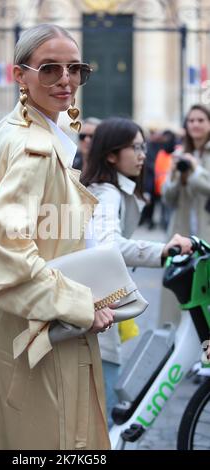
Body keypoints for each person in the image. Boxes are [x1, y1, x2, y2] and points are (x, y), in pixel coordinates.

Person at [0, 24, 114, 450]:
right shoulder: (31, 148)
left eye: (75, 69)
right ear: (20, 75)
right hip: (39, 331)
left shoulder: (14, 130)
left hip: (19, 323)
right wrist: (78, 306)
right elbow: (6, 246)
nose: (65, 79)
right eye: (49, 69)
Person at [81, 117, 192, 428]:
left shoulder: (113, 188)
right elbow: (108, 245)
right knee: (103, 412)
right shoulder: (108, 193)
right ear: (112, 154)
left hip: (100, 305)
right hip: (97, 310)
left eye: (144, 147)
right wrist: (161, 250)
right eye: (136, 147)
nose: (144, 154)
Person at [160, 104, 210, 327]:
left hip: (206, 233)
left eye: (201, 120)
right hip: (181, 233)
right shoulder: (180, 154)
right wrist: (175, 174)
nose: (195, 125)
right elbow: (167, 199)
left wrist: (195, 170)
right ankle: (178, 342)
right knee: (178, 294)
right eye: (191, 120)